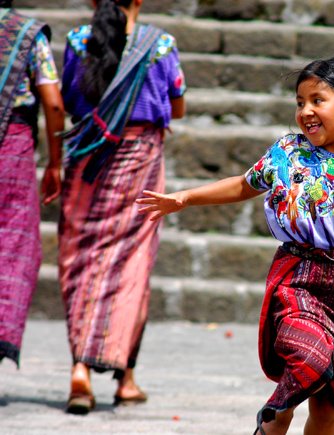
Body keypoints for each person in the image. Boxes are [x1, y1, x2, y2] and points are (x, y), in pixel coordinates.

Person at [137, 53, 334, 435]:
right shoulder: (287, 151)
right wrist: (186, 197)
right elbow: (243, 184)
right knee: (308, 357)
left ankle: (276, 415)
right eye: (300, 102)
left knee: (329, 398)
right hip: (297, 276)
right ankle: (275, 411)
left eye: (317, 100)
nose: (306, 111)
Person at [58, 0, 186, 414]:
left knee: (82, 260)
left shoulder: (78, 42)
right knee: (131, 266)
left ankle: (81, 369)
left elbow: (67, 100)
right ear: (139, 1)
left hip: (86, 161)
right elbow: (177, 106)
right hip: (140, 163)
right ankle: (124, 377)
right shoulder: (161, 45)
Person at [0, 1, 64, 367]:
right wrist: (55, 162)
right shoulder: (28, 34)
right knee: (13, 242)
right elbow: (53, 103)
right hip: (12, 149)